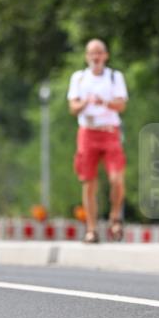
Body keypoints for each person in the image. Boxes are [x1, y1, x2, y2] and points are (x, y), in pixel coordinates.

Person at [67, 39, 128, 243]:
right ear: (87, 57)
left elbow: (121, 105)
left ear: (105, 55)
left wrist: (105, 102)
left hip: (110, 131)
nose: (96, 57)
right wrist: (85, 103)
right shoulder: (79, 78)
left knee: (116, 179)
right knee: (88, 183)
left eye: (99, 53)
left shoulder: (114, 77)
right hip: (87, 132)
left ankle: (115, 216)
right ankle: (91, 229)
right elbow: (72, 107)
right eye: (92, 54)